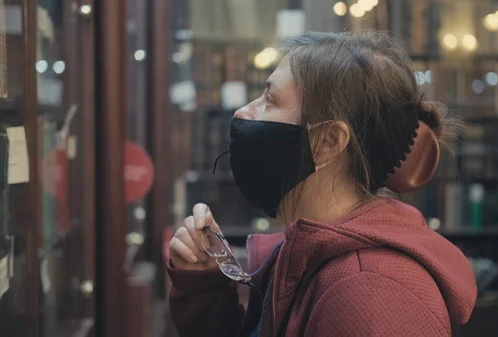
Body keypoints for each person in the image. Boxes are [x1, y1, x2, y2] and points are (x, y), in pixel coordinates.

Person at [166, 31, 477, 337]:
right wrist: (204, 286)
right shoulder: (303, 253)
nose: (243, 112)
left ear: (328, 141)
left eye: (269, 99)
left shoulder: (372, 296)